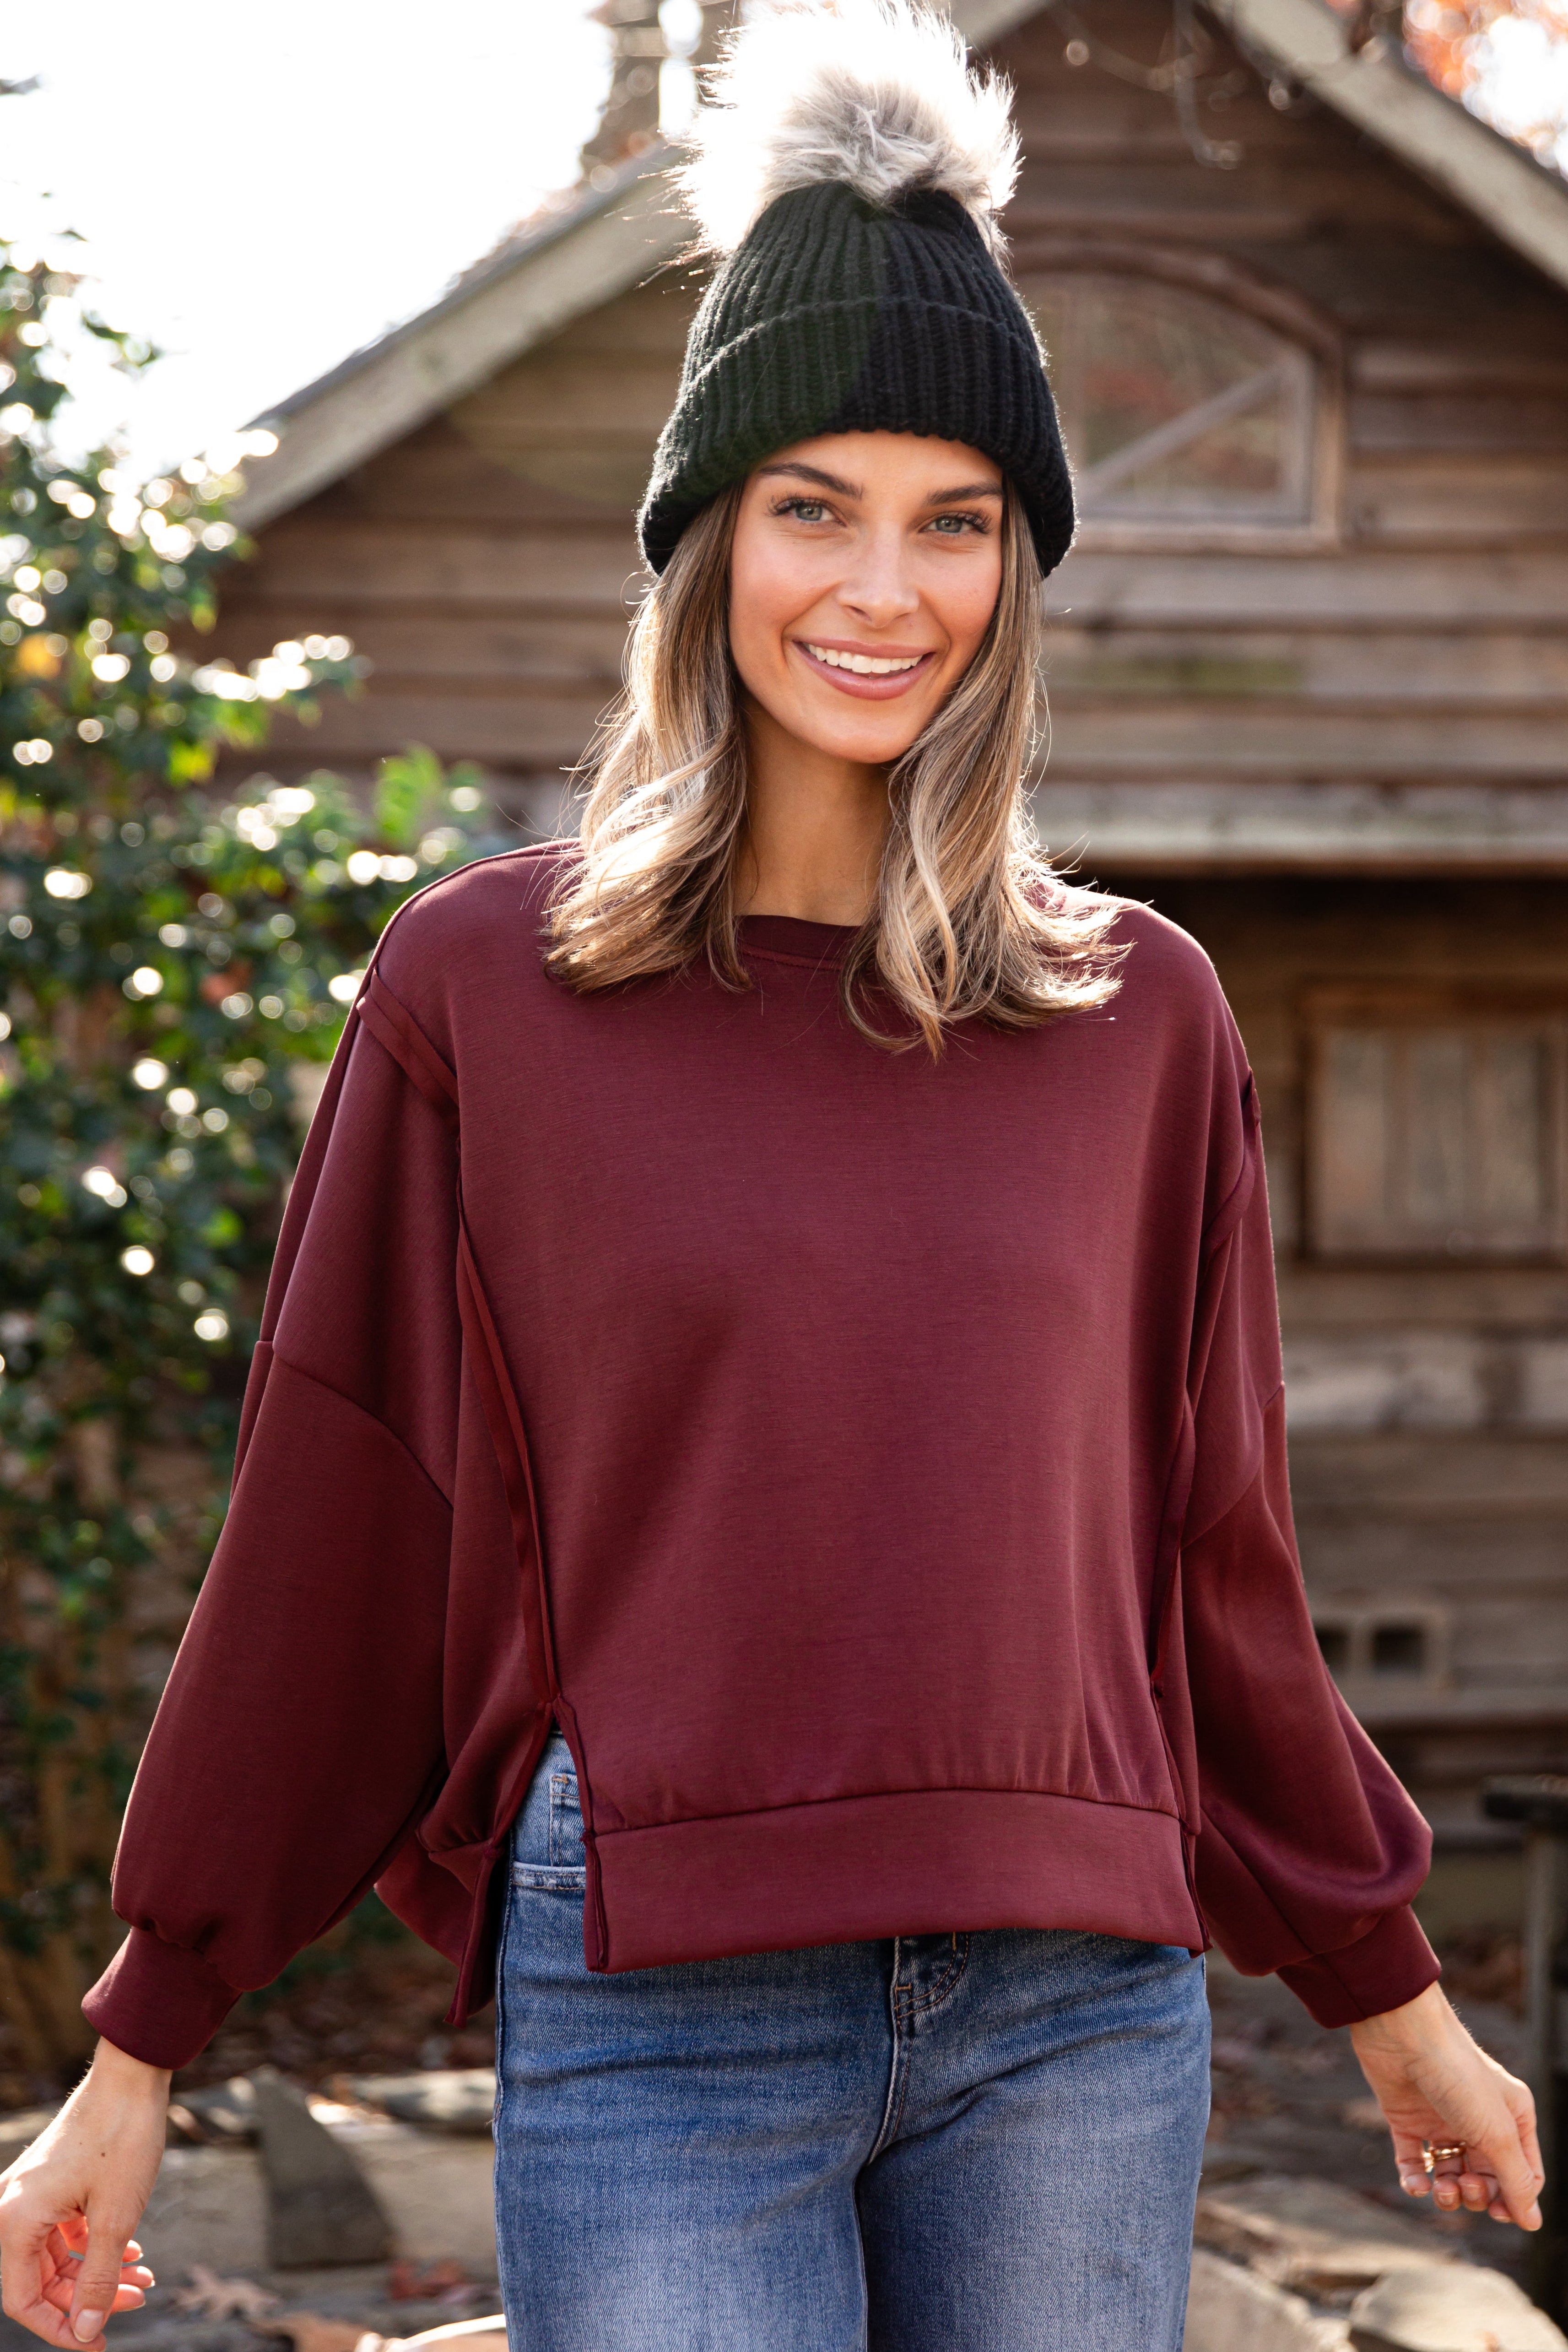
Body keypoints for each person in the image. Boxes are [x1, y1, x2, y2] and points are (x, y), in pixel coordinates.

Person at [0, 5, 1544, 2348]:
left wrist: (1382, 1984)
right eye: (810, 503)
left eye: (951, 521)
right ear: (707, 536)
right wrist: (147, 2033)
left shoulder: (1137, 1016)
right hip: (660, 1996)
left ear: (1014, 571)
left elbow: (1207, 1561)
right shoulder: (482, 995)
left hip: (1071, 2001)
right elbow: (341, 1520)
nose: (877, 587)